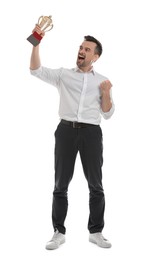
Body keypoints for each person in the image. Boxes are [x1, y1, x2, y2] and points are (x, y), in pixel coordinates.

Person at [29, 25, 115, 250]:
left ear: (95, 56)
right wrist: (36, 41)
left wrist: (106, 93)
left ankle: (95, 231)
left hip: (91, 133)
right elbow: (35, 70)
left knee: (96, 185)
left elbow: (107, 113)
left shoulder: (102, 80)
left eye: (87, 49)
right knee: (60, 184)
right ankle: (58, 232)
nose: (82, 51)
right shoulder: (63, 75)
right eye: (80, 47)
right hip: (66, 131)